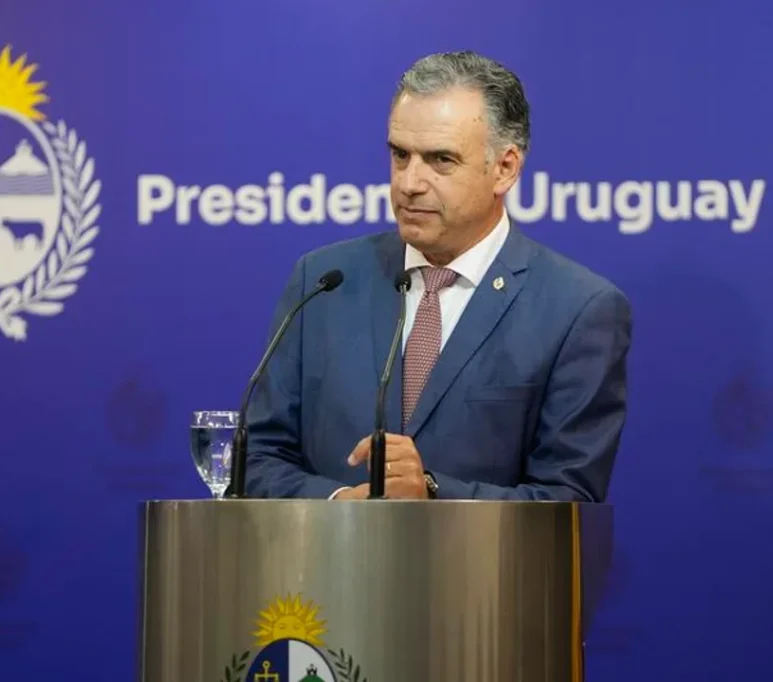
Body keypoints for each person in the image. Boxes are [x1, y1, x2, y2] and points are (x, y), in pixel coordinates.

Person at [243, 51, 632, 501]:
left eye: (441, 160)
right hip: (328, 548)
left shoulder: (577, 309)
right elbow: (255, 458)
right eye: (400, 155)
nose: (410, 183)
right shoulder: (324, 281)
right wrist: (338, 507)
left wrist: (431, 493)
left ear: (505, 168)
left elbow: (568, 500)